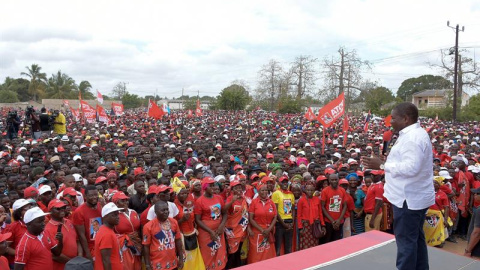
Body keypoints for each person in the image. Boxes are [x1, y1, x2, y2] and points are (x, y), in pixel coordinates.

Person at [363, 102, 435, 270]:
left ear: (405, 118)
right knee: (416, 238)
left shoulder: (412, 138)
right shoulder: (414, 133)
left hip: (407, 200)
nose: (390, 122)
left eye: (393, 118)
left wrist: (381, 165)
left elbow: (411, 168)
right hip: (413, 198)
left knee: (406, 244)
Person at [194, 177, 227, 270]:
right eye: (210, 186)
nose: (213, 188)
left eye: (214, 185)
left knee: (219, 252)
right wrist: (210, 232)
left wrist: (221, 226)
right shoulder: (199, 201)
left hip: (219, 231)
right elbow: (198, 220)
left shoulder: (219, 198)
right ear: (204, 187)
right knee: (208, 253)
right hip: (206, 233)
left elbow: (224, 213)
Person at [143, 201, 184, 270]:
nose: (166, 212)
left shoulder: (174, 222)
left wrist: (181, 259)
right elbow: (146, 246)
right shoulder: (148, 226)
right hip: (157, 265)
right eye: (163, 210)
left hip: (173, 264)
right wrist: (147, 265)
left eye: (167, 209)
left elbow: (178, 241)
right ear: (156, 212)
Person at [45, 199, 80, 270]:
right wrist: (72, 262)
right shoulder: (47, 229)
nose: (62, 210)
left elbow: (77, 241)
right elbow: (54, 255)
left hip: (76, 265)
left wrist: (80, 257)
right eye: (58, 208)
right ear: (50, 211)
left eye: (63, 208)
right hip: (61, 267)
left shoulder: (69, 222)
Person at [247, 183, 277, 264]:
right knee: (256, 254)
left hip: (268, 231)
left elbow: (275, 217)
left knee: (268, 253)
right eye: (262, 190)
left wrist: (269, 229)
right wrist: (262, 230)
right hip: (257, 232)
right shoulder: (254, 202)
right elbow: (251, 219)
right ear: (258, 191)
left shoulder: (271, 202)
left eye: (266, 190)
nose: (264, 192)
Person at [112, 192, 141, 270]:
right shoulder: (115, 215)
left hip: (136, 243)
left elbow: (138, 229)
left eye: (126, 200)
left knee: (138, 265)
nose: (125, 203)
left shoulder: (133, 212)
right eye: (122, 201)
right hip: (123, 245)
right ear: (116, 203)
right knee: (127, 265)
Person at [72, 185, 102, 261]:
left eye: (96, 195)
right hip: (91, 248)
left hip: (102, 244)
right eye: (91, 195)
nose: (94, 197)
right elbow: (81, 235)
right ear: (85, 196)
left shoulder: (100, 206)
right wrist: (88, 254)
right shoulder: (79, 212)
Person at [224, 179, 248, 268]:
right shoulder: (230, 198)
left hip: (242, 229)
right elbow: (224, 210)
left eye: (240, 188)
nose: (238, 190)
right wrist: (232, 201)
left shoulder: (244, 199)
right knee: (232, 253)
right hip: (232, 231)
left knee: (238, 252)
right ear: (232, 190)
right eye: (236, 188)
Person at [320, 173, 348, 243]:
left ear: (338, 180)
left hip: (339, 222)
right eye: (332, 180)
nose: (334, 181)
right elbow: (322, 207)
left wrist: (339, 220)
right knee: (327, 241)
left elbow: (344, 206)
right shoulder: (325, 191)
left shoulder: (342, 190)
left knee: (337, 242)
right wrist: (332, 221)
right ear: (329, 181)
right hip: (328, 222)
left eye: (336, 180)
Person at [94, 202, 122, 270]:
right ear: (105, 217)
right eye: (114, 215)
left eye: (118, 214)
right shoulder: (106, 234)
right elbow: (106, 260)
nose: (118, 217)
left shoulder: (107, 230)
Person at [297, 183, 325, 250]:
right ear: (305, 190)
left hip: (315, 225)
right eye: (308, 190)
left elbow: (320, 213)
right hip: (305, 226)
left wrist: (323, 225)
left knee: (315, 244)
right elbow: (299, 215)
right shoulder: (301, 200)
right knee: (305, 245)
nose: (310, 192)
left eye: (312, 190)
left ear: (314, 191)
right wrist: (300, 228)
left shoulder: (317, 200)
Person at [272, 176, 295, 255]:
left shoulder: (291, 194)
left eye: (286, 182)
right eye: (283, 182)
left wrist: (292, 222)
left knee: (288, 248)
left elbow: (292, 209)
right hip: (280, 223)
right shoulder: (276, 193)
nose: (285, 184)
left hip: (289, 222)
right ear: (279, 183)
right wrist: (283, 224)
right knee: (277, 247)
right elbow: (275, 211)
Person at [465, 187, 480, 257]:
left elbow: (477, 233)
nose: (474, 195)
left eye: (477, 193)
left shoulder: (479, 211)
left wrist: (468, 250)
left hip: (477, 248)